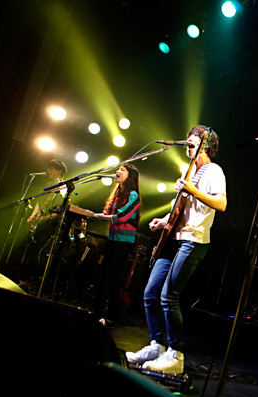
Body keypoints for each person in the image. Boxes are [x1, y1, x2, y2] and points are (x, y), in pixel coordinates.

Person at [126, 125, 227, 374]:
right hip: (173, 238)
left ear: (205, 145)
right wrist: (164, 221)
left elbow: (221, 203)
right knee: (150, 293)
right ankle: (156, 345)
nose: (188, 144)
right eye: (188, 140)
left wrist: (192, 189)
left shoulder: (214, 170)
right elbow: (181, 206)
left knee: (169, 295)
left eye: (193, 141)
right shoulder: (188, 170)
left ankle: (176, 354)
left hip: (193, 240)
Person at [91, 163, 141, 327]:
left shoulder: (133, 196)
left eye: (122, 170)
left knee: (112, 278)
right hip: (112, 239)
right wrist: (92, 215)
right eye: (118, 169)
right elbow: (108, 214)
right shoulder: (117, 195)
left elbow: (122, 217)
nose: (117, 171)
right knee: (100, 275)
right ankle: (97, 311)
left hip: (124, 243)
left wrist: (97, 216)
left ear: (130, 176)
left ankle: (113, 316)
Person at [18, 159, 68, 292]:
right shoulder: (48, 185)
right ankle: (25, 279)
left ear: (59, 171)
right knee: (29, 249)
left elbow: (60, 210)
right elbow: (39, 203)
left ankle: (35, 281)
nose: (48, 170)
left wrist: (42, 219)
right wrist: (34, 215)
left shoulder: (63, 188)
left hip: (49, 225)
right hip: (40, 222)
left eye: (51, 168)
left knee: (39, 251)